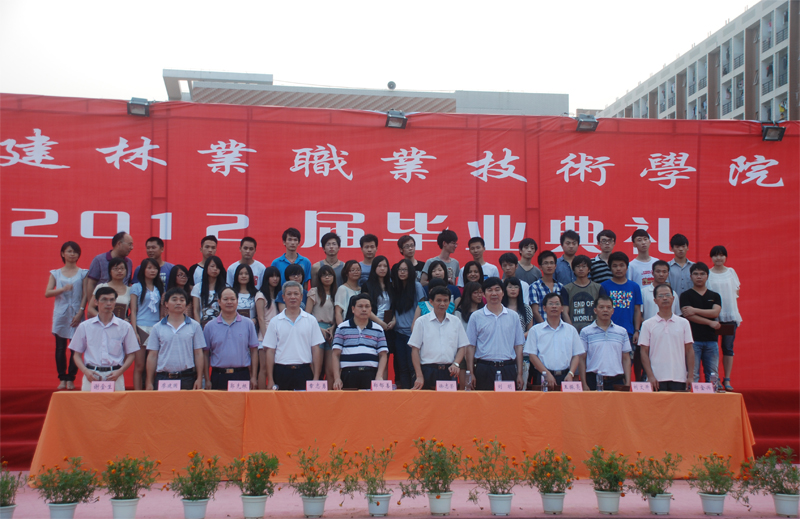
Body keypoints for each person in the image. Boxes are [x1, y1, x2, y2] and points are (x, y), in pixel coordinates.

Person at [69, 286, 139, 391]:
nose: (108, 303)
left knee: (116, 402)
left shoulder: (125, 327)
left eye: (112, 300)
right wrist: (85, 371)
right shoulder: (85, 326)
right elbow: (76, 355)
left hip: (115, 375)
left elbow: (131, 354)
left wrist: (119, 372)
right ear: (96, 302)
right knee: (89, 402)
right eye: (104, 299)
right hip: (92, 374)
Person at [262, 281, 324, 390]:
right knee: (281, 401)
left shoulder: (311, 320)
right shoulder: (275, 321)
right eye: (289, 294)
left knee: (304, 401)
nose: (292, 297)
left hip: (304, 371)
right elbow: (270, 351)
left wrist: (316, 378)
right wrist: (270, 379)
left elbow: (315, 350)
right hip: (281, 371)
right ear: (283, 297)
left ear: (301, 297)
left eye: (296, 294)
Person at [465, 277, 525, 390]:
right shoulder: (476, 317)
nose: (494, 293)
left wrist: (520, 374)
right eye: (489, 290)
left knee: (507, 401)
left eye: (497, 289)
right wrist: (471, 373)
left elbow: (518, 346)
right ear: (484, 294)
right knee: (484, 401)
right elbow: (470, 346)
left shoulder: (513, 316)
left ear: (503, 293)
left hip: (508, 367)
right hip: (484, 368)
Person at [46, 241, 88, 390]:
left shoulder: (83, 273)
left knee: (75, 348)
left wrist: (81, 312)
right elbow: (47, 293)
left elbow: (85, 294)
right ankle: (62, 378)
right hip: (61, 315)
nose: (72, 254)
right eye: (69, 251)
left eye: (75, 252)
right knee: (60, 347)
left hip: (76, 314)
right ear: (63, 254)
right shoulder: (55, 273)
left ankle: (71, 378)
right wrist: (62, 289)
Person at [146, 287, 206, 390]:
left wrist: (199, 378)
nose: (178, 303)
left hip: (187, 377)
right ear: (166, 304)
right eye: (174, 299)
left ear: (186, 304)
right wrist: (149, 382)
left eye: (182, 300)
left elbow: (198, 353)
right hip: (163, 377)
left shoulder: (195, 326)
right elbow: (152, 355)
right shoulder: (157, 327)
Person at [409, 286, 469, 390]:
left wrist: (456, 364)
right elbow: (415, 350)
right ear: (431, 302)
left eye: (445, 300)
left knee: (448, 400)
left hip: (449, 371)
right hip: (428, 370)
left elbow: (462, 347)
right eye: (439, 300)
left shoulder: (456, 321)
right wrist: (419, 375)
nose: (442, 304)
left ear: (449, 302)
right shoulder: (421, 322)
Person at [639, 283, 695, 392]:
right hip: (656, 378)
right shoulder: (647, 324)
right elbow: (643, 352)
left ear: (673, 298)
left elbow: (689, 350)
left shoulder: (684, 323)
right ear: (655, 300)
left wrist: (690, 376)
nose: (664, 298)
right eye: (660, 296)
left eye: (668, 295)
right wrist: (650, 376)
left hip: (679, 377)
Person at [525, 293, 585, 390]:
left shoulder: (571, 330)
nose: (554, 306)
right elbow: (532, 356)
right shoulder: (535, 330)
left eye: (557, 304)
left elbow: (576, 355)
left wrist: (571, 373)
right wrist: (547, 374)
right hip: (543, 376)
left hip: (566, 377)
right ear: (544, 308)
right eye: (551, 304)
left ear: (562, 308)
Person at [203, 287, 259, 390]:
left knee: (241, 401)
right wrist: (207, 379)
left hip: (241, 375)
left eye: (232, 299)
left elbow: (254, 351)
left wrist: (254, 377)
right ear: (219, 302)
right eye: (225, 299)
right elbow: (205, 354)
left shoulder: (248, 323)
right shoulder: (209, 326)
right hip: (218, 375)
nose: (229, 302)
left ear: (237, 301)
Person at [601, 252, 644, 381]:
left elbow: (637, 310)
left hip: (628, 334)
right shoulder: (604, 286)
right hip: (608, 333)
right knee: (609, 368)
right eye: (615, 266)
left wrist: (637, 330)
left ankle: (625, 387)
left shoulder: (634, 287)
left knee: (626, 367)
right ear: (610, 267)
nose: (618, 269)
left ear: (627, 267)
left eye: (621, 265)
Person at [332, 294, 389, 389]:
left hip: (370, 374)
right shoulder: (342, 328)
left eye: (367, 306)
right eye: (360, 306)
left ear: (371, 309)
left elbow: (383, 355)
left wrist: (379, 376)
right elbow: (335, 354)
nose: (364, 309)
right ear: (353, 309)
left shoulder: (378, 329)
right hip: (348, 374)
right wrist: (337, 378)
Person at [679, 263, 721, 384]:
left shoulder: (715, 295)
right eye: (696, 274)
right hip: (692, 340)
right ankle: (693, 396)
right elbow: (688, 315)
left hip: (711, 340)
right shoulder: (685, 295)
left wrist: (695, 310)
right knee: (693, 374)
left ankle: (713, 396)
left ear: (707, 276)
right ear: (690, 276)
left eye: (702, 274)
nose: (699, 276)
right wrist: (709, 322)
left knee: (713, 374)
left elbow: (715, 313)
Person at [706, 245, 741, 391]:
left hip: (729, 315)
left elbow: (736, 292)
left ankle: (727, 379)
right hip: (713, 317)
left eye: (721, 255)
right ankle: (715, 380)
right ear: (711, 257)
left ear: (726, 257)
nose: (718, 258)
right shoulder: (708, 273)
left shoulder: (731, 272)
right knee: (712, 349)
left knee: (728, 348)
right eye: (715, 255)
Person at [580, 295, 632, 391]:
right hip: (593, 379)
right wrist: (584, 383)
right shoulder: (586, 332)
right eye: (601, 307)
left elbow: (626, 358)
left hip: (616, 380)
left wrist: (628, 383)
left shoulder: (622, 332)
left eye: (608, 307)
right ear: (595, 310)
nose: (605, 310)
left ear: (613, 311)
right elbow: (582, 359)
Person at [130, 258, 166, 390]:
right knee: (140, 366)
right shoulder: (136, 287)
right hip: (141, 327)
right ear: (143, 270)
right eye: (149, 268)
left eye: (155, 268)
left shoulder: (159, 288)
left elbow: (161, 311)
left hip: (156, 327)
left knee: (153, 365)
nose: (152, 271)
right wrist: (134, 331)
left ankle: (150, 391)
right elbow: (133, 311)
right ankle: (138, 394)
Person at [391, 259, 426, 389]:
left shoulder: (417, 286)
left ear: (411, 271)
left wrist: (415, 324)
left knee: (413, 367)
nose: (402, 272)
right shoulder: (395, 287)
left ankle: (415, 394)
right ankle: (406, 394)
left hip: (413, 333)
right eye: (400, 269)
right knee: (402, 368)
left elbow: (422, 305)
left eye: (405, 270)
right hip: (398, 334)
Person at [306, 265, 338, 387]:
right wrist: (319, 329)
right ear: (319, 278)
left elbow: (339, 314)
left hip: (331, 331)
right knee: (316, 371)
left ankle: (329, 395)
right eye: (324, 275)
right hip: (316, 329)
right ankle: (314, 394)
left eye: (329, 275)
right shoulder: (314, 292)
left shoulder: (337, 292)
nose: (327, 277)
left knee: (330, 370)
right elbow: (307, 315)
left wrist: (333, 327)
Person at [562, 255, 606, 333]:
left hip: (595, 331)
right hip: (573, 331)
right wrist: (572, 331)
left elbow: (603, 310)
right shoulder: (567, 289)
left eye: (584, 266)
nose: (581, 269)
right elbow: (565, 312)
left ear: (589, 269)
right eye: (578, 266)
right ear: (573, 270)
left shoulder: (598, 288)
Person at [503, 277, 534, 386]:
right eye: (510, 287)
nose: (513, 289)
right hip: (504, 349)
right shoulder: (501, 308)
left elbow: (530, 330)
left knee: (521, 384)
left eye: (516, 287)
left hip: (522, 349)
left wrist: (518, 338)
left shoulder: (526, 308)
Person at [255, 266, 282, 388]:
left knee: (275, 368)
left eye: (277, 276)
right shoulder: (260, 295)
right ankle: (262, 394)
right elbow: (260, 318)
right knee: (264, 368)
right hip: (264, 335)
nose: (275, 279)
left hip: (279, 335)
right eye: (272, 276)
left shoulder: (279, 294)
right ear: (266, 278)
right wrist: (267, 338)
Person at [85, 232, 134, 298]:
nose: (132, 248)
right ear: (119, 244)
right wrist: (92, 303)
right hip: (104, 302)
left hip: (123, 303)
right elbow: (91, 283)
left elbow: (128, 283)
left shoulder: (129, 262)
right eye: (129, 244)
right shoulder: (99, 260)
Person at [455, 281, 484, 389]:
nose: (479, 295)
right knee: (465, 386)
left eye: (481, 292)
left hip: (480, 352)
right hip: (463, 351)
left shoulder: (484, 312)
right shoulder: (459, 312)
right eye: (476, 292)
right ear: (468, 294)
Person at [529, 251, 570, 324]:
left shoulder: (560, 287)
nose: (549, 266)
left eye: (551, 263)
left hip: (558, 327)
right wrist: (545, 327)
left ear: (555, 266)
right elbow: (535, 312)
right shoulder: (534, 287)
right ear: (540, 267)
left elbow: (563, 310)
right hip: (541, 327)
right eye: (546, 263)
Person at [192, 255, 225, 328]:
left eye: (218, 267)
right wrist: (199, 327)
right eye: (212, 266)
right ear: (206, 267)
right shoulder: (197, 287)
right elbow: (196, 310)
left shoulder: (225, 287)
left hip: (221, 325)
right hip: (203, 325)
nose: (215, 269)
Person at [334, 260, 362, 325]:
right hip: (347, 324)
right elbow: (338, 312)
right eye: (352, 270)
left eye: (358, 270)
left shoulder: (362, 289)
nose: (356, 272)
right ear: (346, 273)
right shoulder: (342, 289)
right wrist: (342, 327)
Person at [668, 234, 694, 298]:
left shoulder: (694, 267)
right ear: (672, 249)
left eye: (683, 246)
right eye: (677, 247)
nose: (681, 249)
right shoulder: (667, 267)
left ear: (687, 248)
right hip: (673, 302)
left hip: (692, 302)